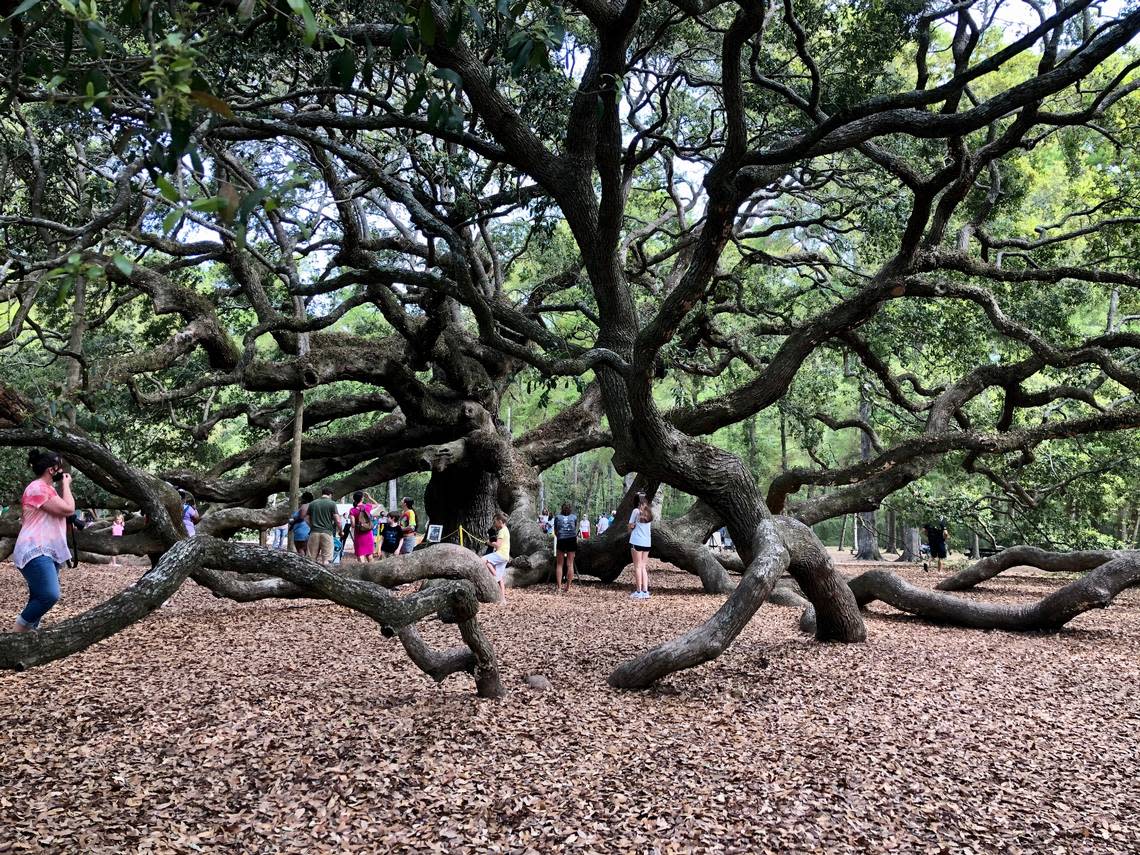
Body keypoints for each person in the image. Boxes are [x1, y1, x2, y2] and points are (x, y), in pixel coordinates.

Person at [11, 450, 74, 632]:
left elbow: (60, 513)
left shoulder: (48, 489)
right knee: (49, 594)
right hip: (35, 548)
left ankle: (26, 640)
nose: (61, 470)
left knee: (38, 596)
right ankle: (17, 633)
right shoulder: (37, 488)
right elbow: (69, 508)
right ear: (52, 470)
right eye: (59, 466)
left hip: (47, 549)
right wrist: (66, 485)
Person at [306, 487, 342, 565]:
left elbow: (307, 518)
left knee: (311, 559)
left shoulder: (313, 503)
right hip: (327, 533)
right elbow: (338, 520)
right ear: (330, 494)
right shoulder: (331, 503)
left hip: (314, 533)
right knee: (326, 559)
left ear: (322, 493)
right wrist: (341, 531)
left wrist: (312, 527)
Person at [628, 492, 653, 599]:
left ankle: (638, 592)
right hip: (647, 542)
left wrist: (631, 527)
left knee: (637, 567)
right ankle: (645, 591)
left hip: (636, 541)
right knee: (643, 566)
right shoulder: (649, 512)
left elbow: (630, 527)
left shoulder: (636, 511)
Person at [552, 502, 577, 594]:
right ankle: (568, 587)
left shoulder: (557, 517)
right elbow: (574, 528)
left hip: (561, 539)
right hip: (571, 539)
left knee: (559, 564)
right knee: (570, 564)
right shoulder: (574, 517)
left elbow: (555, 531)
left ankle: (559, 587)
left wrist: (560, 535)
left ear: (561, 509)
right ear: (570, 509)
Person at [483, 526, 509, 603]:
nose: (495, 524)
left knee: (482, 560)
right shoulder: (506, 530)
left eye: (495, 521)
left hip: (500, 554)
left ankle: (494, 573)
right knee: (500, 578)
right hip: (504, 555)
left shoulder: (501, 531)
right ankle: (503, 599)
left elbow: (497, 545)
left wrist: (488, 542)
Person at [349, 491, 375, 562]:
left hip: (359, 535)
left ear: (354, 499)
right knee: (370, 555)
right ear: (362, 498)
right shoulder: (367, 507)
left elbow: (353, 525)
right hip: (368, 534)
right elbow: (377, 504)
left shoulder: (352, 510)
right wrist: (369, 498)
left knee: (360, 555)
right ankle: (372, 571)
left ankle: (362, 572)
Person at [290, 491, 313, 555]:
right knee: (306, 550)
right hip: (308, 530)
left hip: (302, 531)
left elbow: (301, 517)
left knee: (301, 549)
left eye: (302, 498)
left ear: (304, 499)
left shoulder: (304, 506)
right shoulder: (312, 506)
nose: (300, 499)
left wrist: (292, 522)